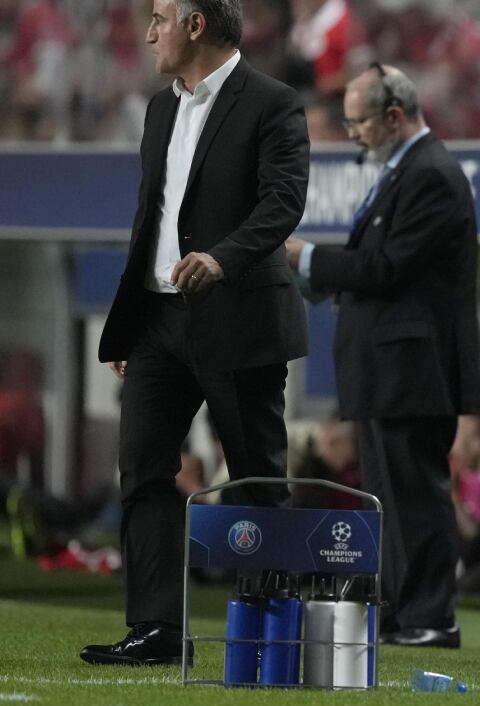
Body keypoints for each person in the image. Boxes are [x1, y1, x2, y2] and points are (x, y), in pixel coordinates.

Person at [82, 0, 310, 666]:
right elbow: (149, 217)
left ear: (196, 24)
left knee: (256, 479)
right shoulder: (160, 108)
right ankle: (156, 629)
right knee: (144, 472)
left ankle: (269, 635)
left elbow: (283, 200)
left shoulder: (272, 101)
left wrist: (224, 257)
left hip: (239, 320)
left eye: (158, 16)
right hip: (157, 322)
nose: (148, 31)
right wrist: (129, 325)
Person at [285, 63, 480, 648]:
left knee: (413, 494)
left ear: (394, 116)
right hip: (388, 368)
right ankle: (399, 610)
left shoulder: (431, 175)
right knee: (387, 499)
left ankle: (430, 616)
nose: (353, 134)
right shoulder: (403, 172)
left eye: (359, 122)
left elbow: (387, 267)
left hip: (411, 369)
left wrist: (308, 259)